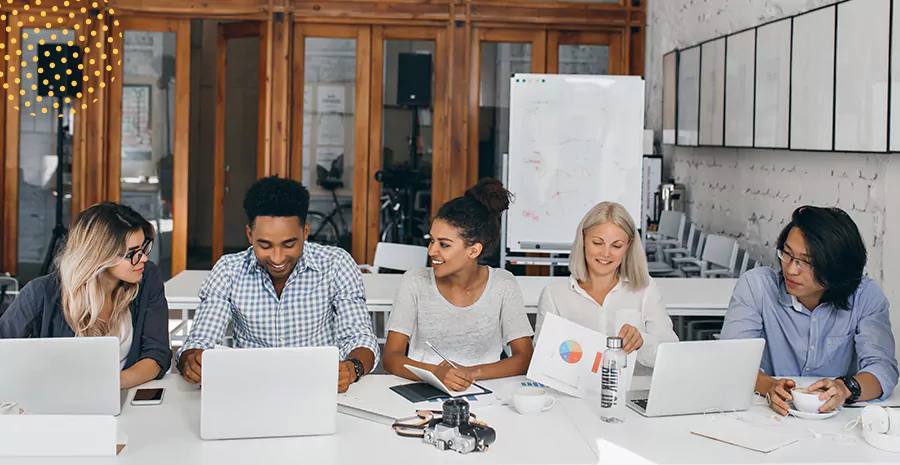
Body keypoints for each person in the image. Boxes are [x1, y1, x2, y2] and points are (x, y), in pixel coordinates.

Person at [176, 176, 378, 393]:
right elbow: (200, 341)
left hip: (319, 389)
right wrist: (192, 361)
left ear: (306, 232)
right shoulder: (229, 270)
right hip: (250, 391)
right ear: (250, 235)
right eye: (265, 245)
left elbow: (360, 337)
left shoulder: (336, 264)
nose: (277, 258)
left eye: (289, 244)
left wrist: (352, 367)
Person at [722, 206, 898, 416]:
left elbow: (882, 368)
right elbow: (732, 360)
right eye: (787, 254)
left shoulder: (865, 296)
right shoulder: (757, 287)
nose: (791, 269)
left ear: (837, 268)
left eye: (807, 262)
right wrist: (768, 386)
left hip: (838, 420)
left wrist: (845, 388)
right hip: (768, 415)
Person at [382, 179, 534, 391]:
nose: (432, 251)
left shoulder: (503, 285)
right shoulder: (414, 281)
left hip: (487, 392)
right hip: (419, 389)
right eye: (432, 240)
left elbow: (525, 357)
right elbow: (391, 358)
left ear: (474, 251)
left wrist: (471, 373)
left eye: (444, 244)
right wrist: (435, 373)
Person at [0, 202, 172, 389]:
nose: (144, 258)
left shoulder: (146, 278)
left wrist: (109, 386)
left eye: (144, 248)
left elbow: (157, 353)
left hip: (123, 398)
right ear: (99, 256)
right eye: (133, 253)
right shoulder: (40, 293)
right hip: (56, 405)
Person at [536, 202, 678, 367]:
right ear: (583, 240)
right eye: (597, 243)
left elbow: (670, 353)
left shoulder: (645, 289)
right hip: (575, 391)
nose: (606, 253)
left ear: (628, 246)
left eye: (616, 246)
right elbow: (541, 360)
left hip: (634, 391)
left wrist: (642, 342)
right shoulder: (555, 295)